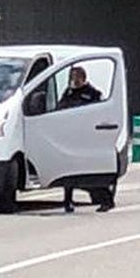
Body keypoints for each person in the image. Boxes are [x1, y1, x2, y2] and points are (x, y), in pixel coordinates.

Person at [56, 66, 115, 213]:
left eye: (76, 78)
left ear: (83, 78)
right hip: (71, 137)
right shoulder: (68, 93)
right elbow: (59, 108)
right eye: (72, 78)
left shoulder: (93, 93)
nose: (73, 81)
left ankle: (107, 200)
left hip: (87, 139)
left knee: (90, 174)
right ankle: (68, 202)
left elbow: (99, 112)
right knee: (69, 172)